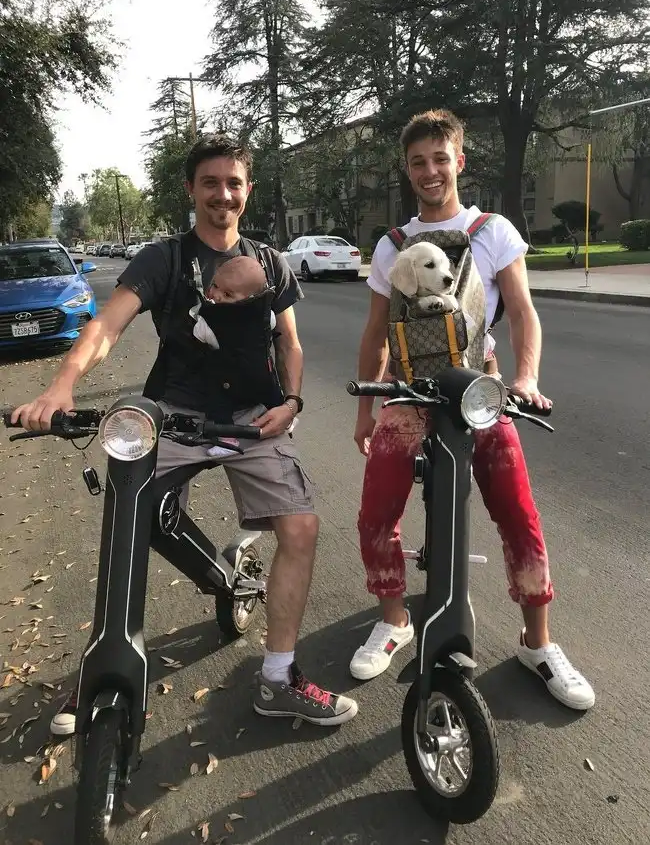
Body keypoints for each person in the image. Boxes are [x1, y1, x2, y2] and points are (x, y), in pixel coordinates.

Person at [11, 133, 358, 734]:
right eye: (210, 183)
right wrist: (61, 385)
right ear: (191, 189)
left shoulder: (270, 263)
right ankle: (105, 664)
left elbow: (290, 343)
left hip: (254, 416)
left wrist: (293, 402)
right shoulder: (164, 259)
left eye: (234, 183)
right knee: (131, 516)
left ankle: (278, 679)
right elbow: (106, 326)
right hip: (173, 414)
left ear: (248, 191)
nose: (223, 194)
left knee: (300, 526)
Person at [350, 109, 595, 711]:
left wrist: (526, 377)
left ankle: (537, 643)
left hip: (478, 393)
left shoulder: (493, 231)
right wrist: (365, 406)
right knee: (376, 511)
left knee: (517, 512)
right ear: (407, 170)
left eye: (440, 158)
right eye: (418, 162)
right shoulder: (392, 246)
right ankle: (394, 619)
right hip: (409, 395)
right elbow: (377, 330)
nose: (430, 171)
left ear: (459, 161)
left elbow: (523, 311)